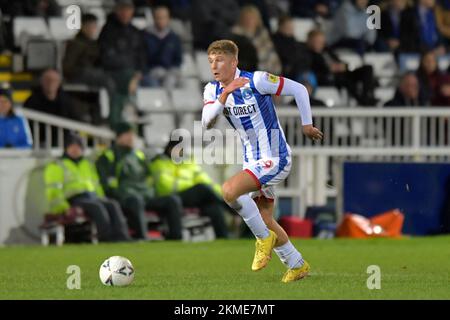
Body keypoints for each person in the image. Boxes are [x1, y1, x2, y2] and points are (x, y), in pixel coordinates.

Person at [202, 40, 323, 282]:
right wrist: (226, 93)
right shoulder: (212, 90)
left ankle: (262, 238)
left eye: (220, 60)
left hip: (275, 157)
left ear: (234, 62)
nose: (214, 66)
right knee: (265, 218)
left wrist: (306, 124)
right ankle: (297, 264)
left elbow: (299, 89)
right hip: (252, 161)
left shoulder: (257, 81)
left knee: (229, 191)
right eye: (211, 61)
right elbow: (206, 122)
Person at [96, 122, 184, 240]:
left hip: (145, 195)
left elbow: (149, 177)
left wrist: (149, 191)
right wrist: (121, 194)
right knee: (136, 201)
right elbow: (108, 184)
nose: (131, 137)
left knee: (172, 200)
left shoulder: (139, 155)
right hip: (127, 197)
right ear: (119, 136)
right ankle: (142, 238)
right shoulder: (109, 156)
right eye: (127, 134)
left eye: (133, 134)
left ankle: (176, 239)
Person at [44, 132, 131, 242]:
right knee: (97, 207)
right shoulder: (57, 165)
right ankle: (106, 239)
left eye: (78, 146)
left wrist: (102, 197)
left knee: (112, 204)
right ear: (66, 148)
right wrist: (64, 207)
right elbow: (53, 191)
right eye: (71, 146)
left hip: (91, 196)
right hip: (74, 199)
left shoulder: (87, 164)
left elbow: (96, 185)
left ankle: (122, 238)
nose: (75, 149)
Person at [149, 140, 229, 238]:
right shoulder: (159, 163)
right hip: (171, 197)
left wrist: (222, 192)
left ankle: (224, 238)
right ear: (169, 149)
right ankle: (231, 207)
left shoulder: (188, 163)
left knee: (213, 206)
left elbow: (207, 182)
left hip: (190, 197)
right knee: (201, 188)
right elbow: (165, 186)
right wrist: (191, 186)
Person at [98, 0, 146, 129]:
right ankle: (121, 124)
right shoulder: (108, 31)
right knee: (123, 87)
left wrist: (138, 74)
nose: (125, 13)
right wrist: (132, 74)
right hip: (113, 72)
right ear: (117, 11)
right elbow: (106, 57)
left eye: (128, 9)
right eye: (122, 9)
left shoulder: (136, 32)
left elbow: (142, 56)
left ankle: (128, 124)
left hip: (133, 74)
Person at [63, 13, 118, 123]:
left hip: (91, 75)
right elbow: (67, 66)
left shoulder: (94, 43)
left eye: (95, 26)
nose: (94, 29)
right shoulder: (76, 43)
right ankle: (114, 115)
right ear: (84, 26)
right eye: (91, 26)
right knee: (106, 79)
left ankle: (104, 116)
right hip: (78, 74)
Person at [307, 29, 377, 106]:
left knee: (367, 68)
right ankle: (363, 101)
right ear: (311, 41)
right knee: (345, 80)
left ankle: (367, 95)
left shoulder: (327, 51)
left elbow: (340, 61)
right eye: (317, 41)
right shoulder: (309, 55)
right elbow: (313, 69)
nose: (320, 43)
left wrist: (343, 66)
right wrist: (329, 69)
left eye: (321, 41)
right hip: (329, 77)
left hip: (343, 73)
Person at [231, 5, 282, 75]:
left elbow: (270, 52)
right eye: (247, 18)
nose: (249, 21)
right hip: (249, 70)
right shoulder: (236, 35)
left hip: (269, 70)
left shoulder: (263, 33)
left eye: (252, 18)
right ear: (242, 19)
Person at [142, 5, 182, 89]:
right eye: (158, 18)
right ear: (154, 18)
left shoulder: (174, 37)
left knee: (181, 83)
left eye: (164, 18)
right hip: (151, 72)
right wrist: (151, 70)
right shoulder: (145, 36)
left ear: (168, 19)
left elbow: (178, 59)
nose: (161, 20)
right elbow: (142, 59)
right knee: (153, 84)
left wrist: (172, 70)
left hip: (169, 71)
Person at [272, 15, 312, 82]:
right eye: (287, 26)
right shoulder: (275, 40)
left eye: (291, 26)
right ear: (280, 26)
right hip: (285, 71)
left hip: (299, 69)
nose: (290, 28)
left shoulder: (295, 41)